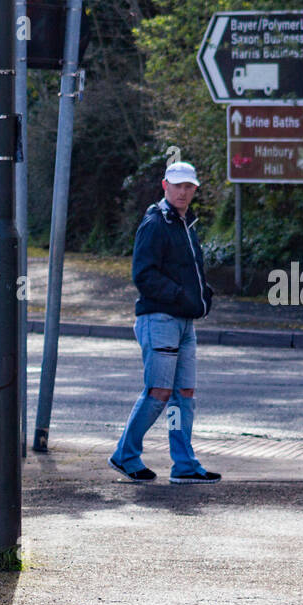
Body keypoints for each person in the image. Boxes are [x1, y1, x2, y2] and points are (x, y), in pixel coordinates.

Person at [108, 161, 220, 484]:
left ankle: (183, 464)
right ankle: (125, 455)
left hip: (183, 322)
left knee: (183, 393)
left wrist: (203, 296)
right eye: (178, 185)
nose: (184, 191)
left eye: (189, 187)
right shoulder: (155, 223)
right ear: (165, 186)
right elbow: (142, 275)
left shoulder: (185, 224)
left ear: (194, 190)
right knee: (159, 391)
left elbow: (192, 272)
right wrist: (181, 296)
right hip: (159, 319)